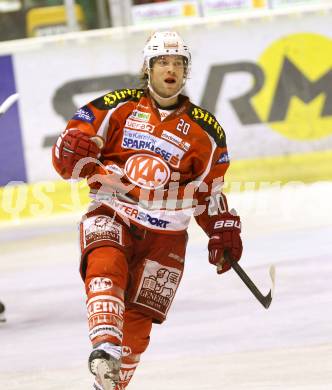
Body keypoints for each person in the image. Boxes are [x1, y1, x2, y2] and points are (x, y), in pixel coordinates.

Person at [52, 31, 243, 390]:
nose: (170, 70)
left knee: (138, 326)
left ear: (186, 72)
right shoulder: (115, 107)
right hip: (114, 210)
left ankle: (109, 382)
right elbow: (69, 157)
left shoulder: (207, 131)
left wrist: (221, 228)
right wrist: (72, 149)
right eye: (162, 62)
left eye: (178, 63)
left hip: (167, 234)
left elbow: (209, 192)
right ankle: (104, 345)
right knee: (104, 262)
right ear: (148, 68)